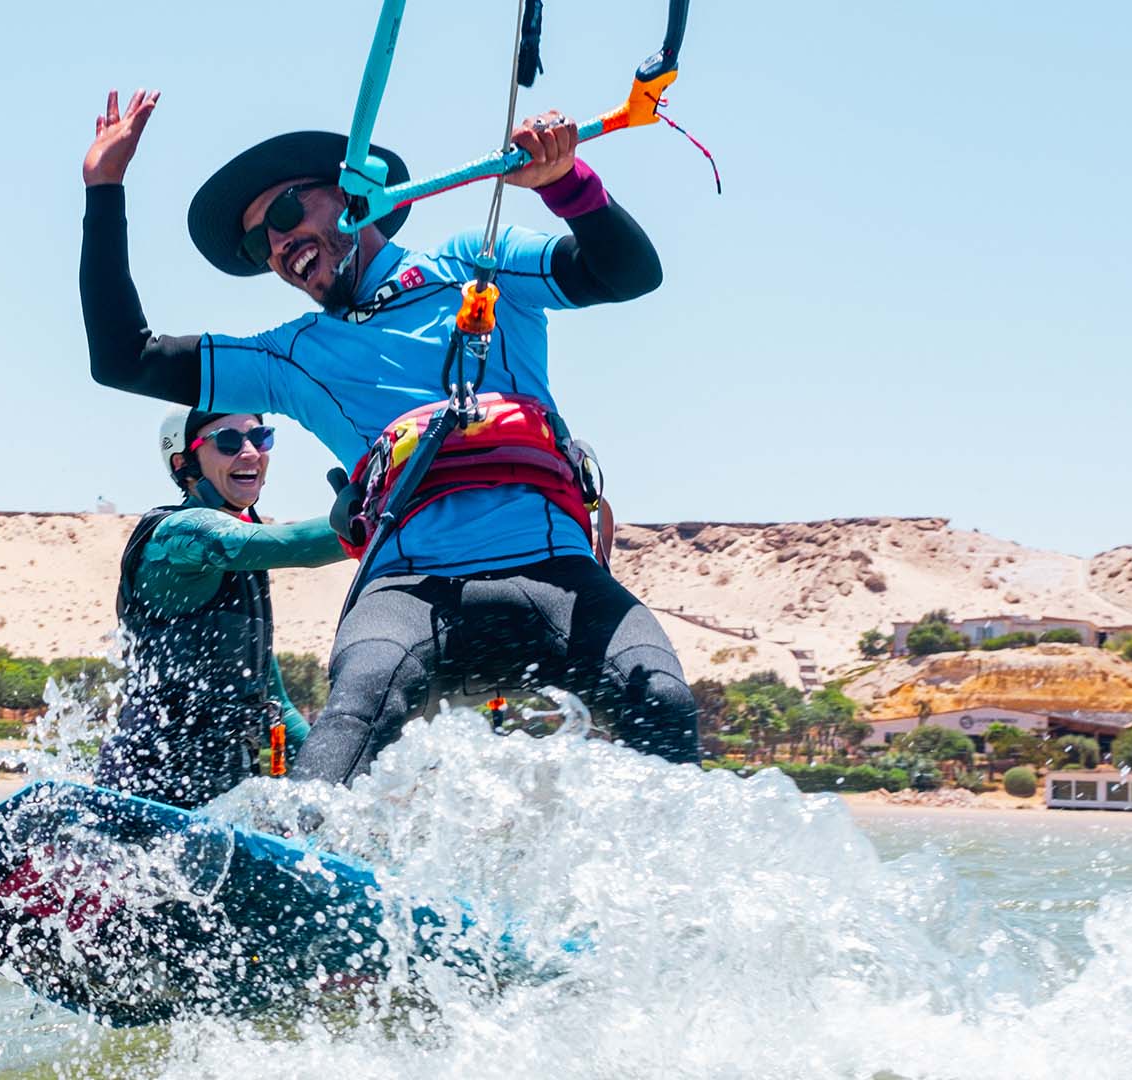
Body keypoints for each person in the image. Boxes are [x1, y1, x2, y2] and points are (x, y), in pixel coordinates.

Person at [80, 89, 699, 788]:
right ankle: (299, 880)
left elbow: (626, 274)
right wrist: (105, 190)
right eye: (261, 243)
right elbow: (122, 359)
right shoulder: (293, 355)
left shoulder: (476, 262)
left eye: (286, 212)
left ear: (353, 196)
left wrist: (565, 183)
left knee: (665, 702)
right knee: (349, 723)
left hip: (556, 570)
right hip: (412, 592)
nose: (279, 245)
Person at [97, 407, 347, 808]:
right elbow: (292, 543)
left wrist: (339, 781)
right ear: (184, 464)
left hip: (224, 795)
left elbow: (276, 706)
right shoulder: (181, 536)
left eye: (261, 438)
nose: (250, 452)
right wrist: (374, 517)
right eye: (229, 442)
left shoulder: (245, 563)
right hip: (147, 790)